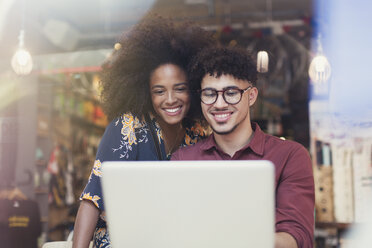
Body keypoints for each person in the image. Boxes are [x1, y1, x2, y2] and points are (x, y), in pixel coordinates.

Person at [72, 16, 215, 248]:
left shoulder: (197, 134)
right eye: (159, 91)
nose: (170, 100)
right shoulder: (127, 129)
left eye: (180, 89)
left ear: (194, 90)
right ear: (146, 93)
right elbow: (92, 200)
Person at [171, 46, 315, 248]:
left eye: (231, 93)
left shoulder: (290, 156)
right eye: (210, 93)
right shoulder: (183, 160)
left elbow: (299, 238)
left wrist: (227, 236)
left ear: (252, 96)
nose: (219, 104)